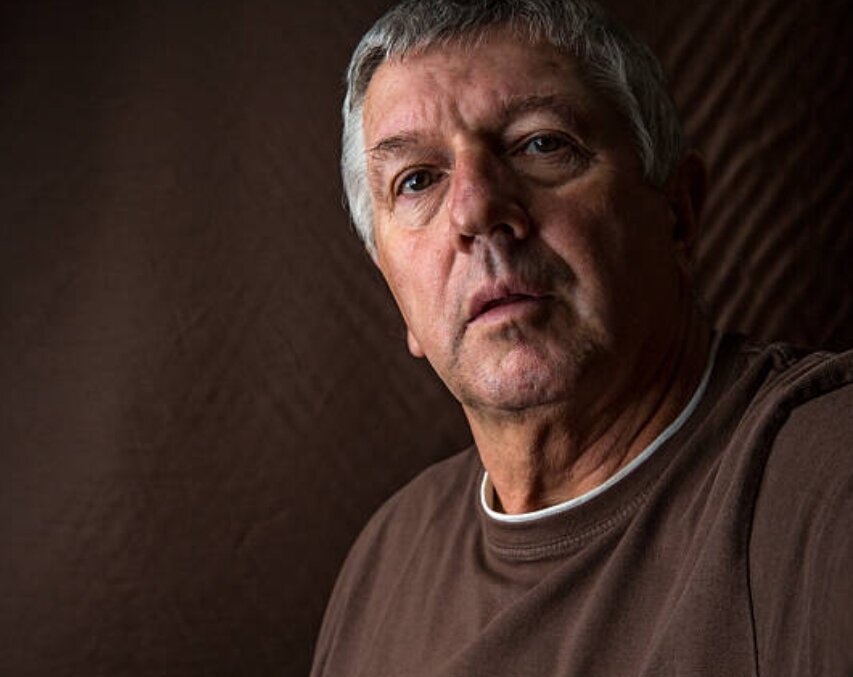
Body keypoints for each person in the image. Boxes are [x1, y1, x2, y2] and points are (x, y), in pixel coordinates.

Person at [311, 0, 853, 674]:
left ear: (677, 215)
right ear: (396, 292)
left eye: (541, 144)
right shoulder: (386, 559)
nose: (476, 209)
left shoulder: (824, 480)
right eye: (417, 180)